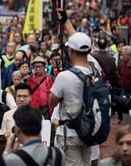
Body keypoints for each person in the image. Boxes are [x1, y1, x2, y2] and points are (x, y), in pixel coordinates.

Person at [49, 32, 93, 166]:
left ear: (71, 51)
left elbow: (52, 101)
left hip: (69, 133)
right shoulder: (95, 71)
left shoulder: (64, 76)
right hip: (90, 130)